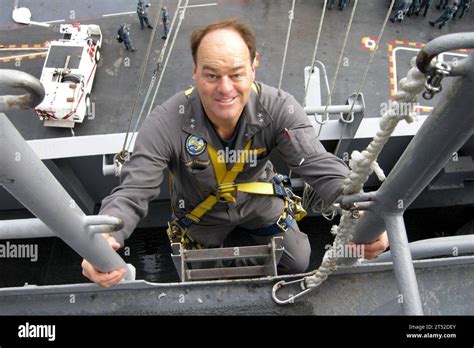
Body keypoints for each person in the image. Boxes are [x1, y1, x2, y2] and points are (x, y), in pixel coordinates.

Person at [82, 18, 389, 288]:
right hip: (201, 211)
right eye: (212, 75)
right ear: (195, 72)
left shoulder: (278, 109)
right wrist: (106, 238)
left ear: (253, 68)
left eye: (236, 74)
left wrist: (362, 211)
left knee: (297, 260)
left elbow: (317, 163)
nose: (225, 89)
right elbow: (134, 189)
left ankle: (255, 281)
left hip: (259, 199)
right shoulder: (166, 122)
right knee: (192, 273)